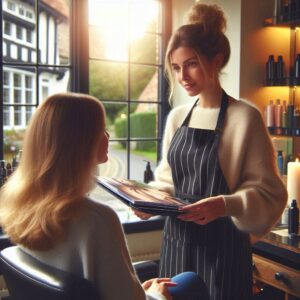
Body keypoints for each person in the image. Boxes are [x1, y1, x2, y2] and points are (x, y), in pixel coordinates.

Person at [135, 3, 288, 300]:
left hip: (224, 251)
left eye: (191, 64)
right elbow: (167, 182)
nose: (183, 77)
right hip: (176, 245)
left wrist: (224, 204)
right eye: (176, 67)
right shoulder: (178, 117)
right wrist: (148, 202)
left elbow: (270, 193)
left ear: (216, 60)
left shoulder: (245, 117)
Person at [0, 93, 208, 300]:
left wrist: (137, 289)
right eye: (101, 130)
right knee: (190, 281)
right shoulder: (98, 219)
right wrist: (155, 295)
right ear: (81, 142)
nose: (108, 137)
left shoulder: (22, 203)